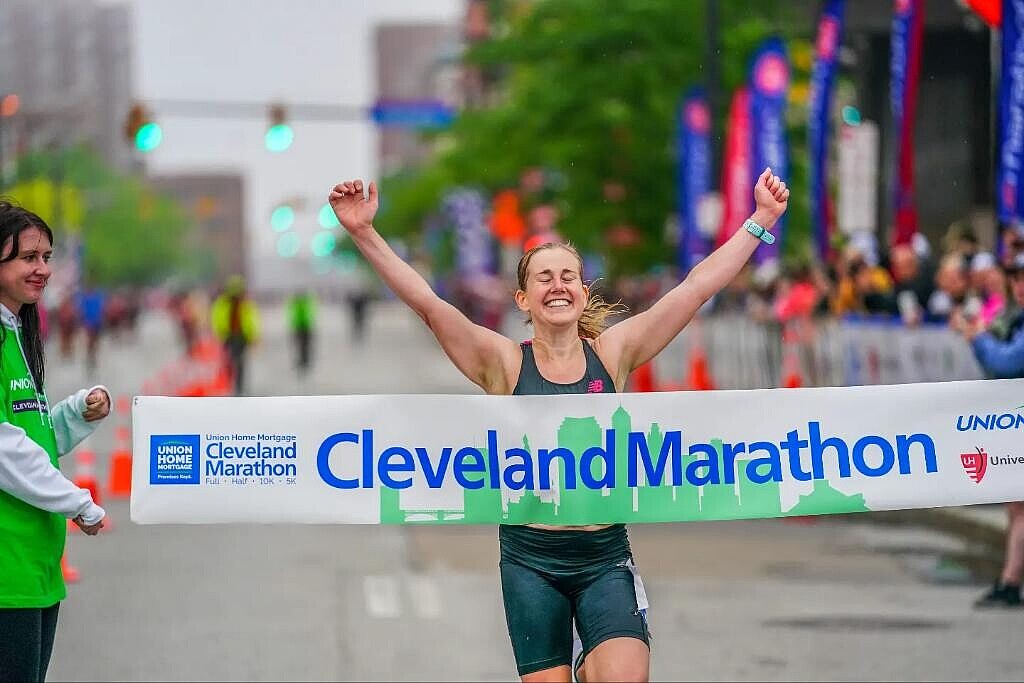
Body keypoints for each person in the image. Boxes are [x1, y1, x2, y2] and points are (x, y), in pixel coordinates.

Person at [328, 168, 790, 682]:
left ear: (584, 293)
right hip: (530, 561)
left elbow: (695, 288)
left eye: (568, 276)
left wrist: (759, 220)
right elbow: (428, 305)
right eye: (544, 278)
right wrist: (363, 232)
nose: (558, 285)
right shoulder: (503, 363)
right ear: (523, 299)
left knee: (625, 677)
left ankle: (594, 665)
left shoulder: (612, 354)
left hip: (604, 556)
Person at [0, 202, 110, 682]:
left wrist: (77, 412)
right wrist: (77, 502)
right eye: (29, 257)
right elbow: (5, 451)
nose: (43, 269)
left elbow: (33, 437)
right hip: (8, 570)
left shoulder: (16, 332)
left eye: (47, 257)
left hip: (36, 565)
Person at [951, 253, 1024, 609]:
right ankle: (1010, 581)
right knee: (1017, 504)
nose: (1020, 285)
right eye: (1016, 278)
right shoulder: (1013, 317)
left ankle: (1010, 581)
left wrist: (978, 337)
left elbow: (1008, 361)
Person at [210, 275, 260, 396]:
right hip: (228, 337)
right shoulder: (223, 303)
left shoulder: (245, 304)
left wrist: (253, 336)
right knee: (229, 361)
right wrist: (220, 333)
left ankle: (238, 387)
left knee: (240, 362)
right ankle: (230, 385)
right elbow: (216, 319)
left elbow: (252, 320)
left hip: (242, 337)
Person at [286, 289, 316, 374]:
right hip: (304, 326)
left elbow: (293, 315)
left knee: (301, 345)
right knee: (304, 346)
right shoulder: (307, 303)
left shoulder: (297, 304)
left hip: (302, 326)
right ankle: (304, 360)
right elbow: (311, 314)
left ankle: (304, 361)